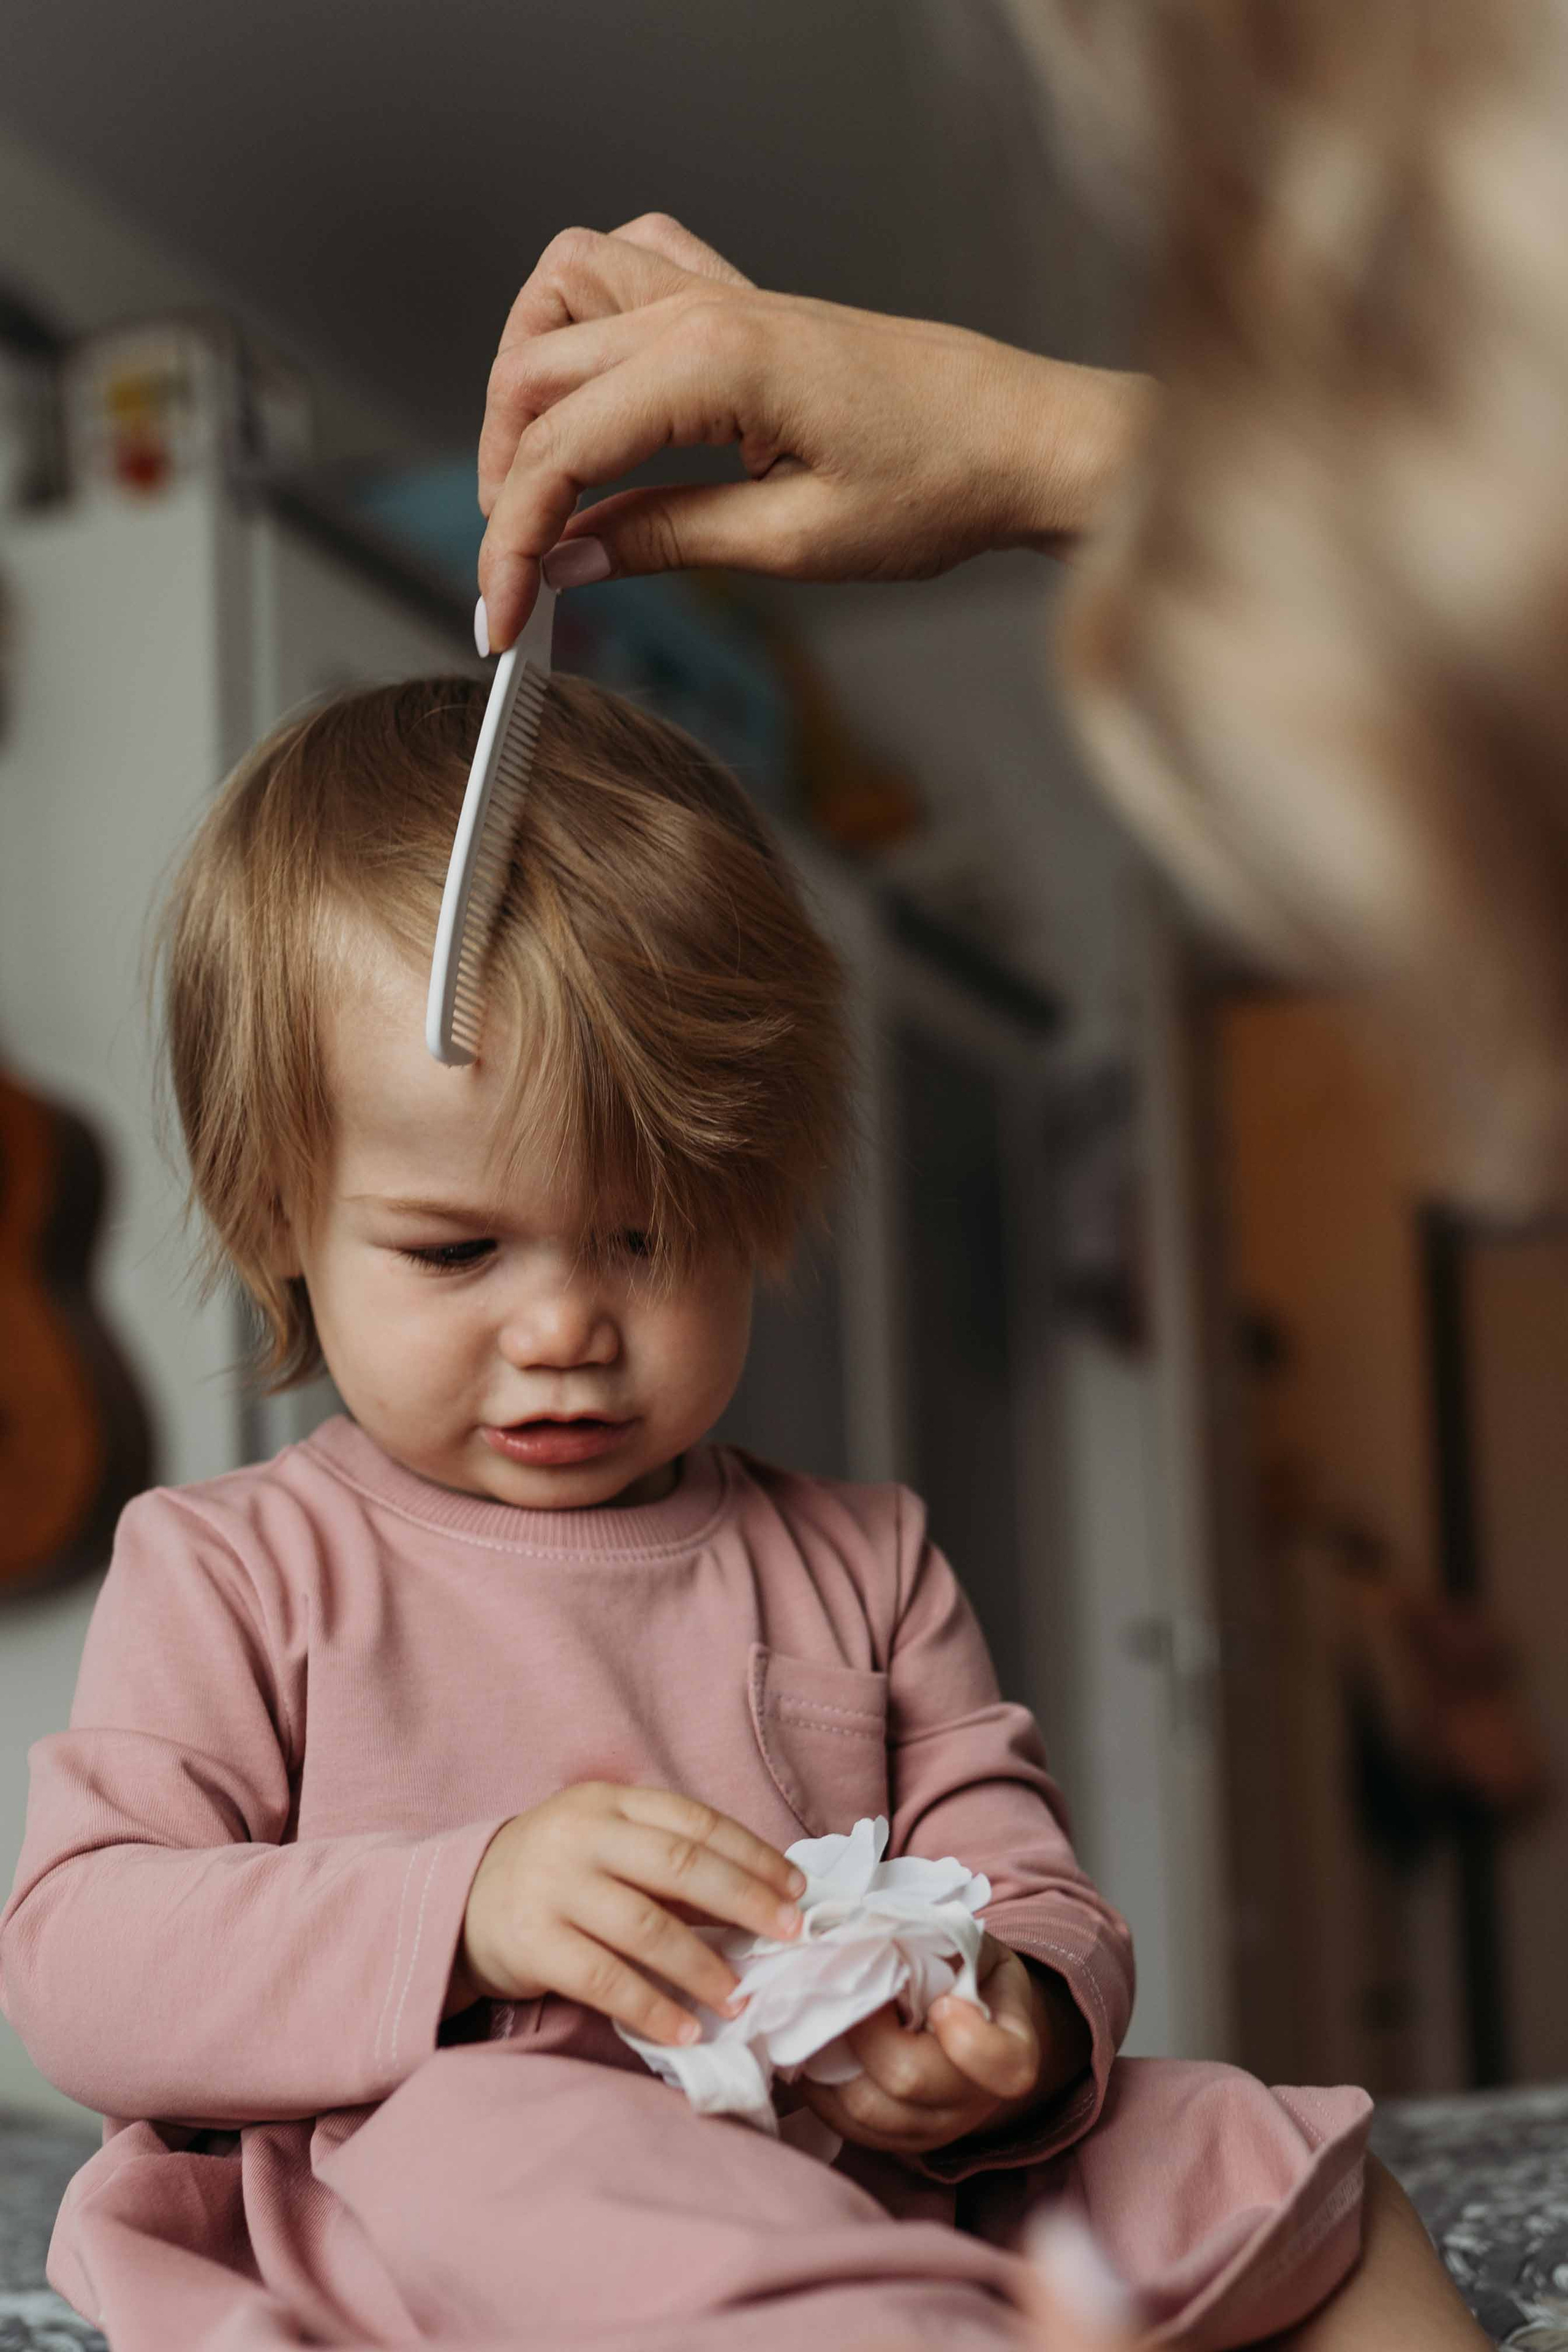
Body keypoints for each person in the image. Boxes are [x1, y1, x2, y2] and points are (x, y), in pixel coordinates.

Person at [2, 671, 1384, 2350]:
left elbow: (1026, 1889)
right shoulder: (231, 1568)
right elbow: (80, 1961)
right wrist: (467, 1906)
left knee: (1267, 2142)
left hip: (850, 2166)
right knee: (500, 2133)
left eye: (647, 1237)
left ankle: (951, 2300)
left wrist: (1009, 2021)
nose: (567, 1327)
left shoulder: (864, 1560)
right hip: (458, 2193)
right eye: (458, 1249)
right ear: (277, 1212)